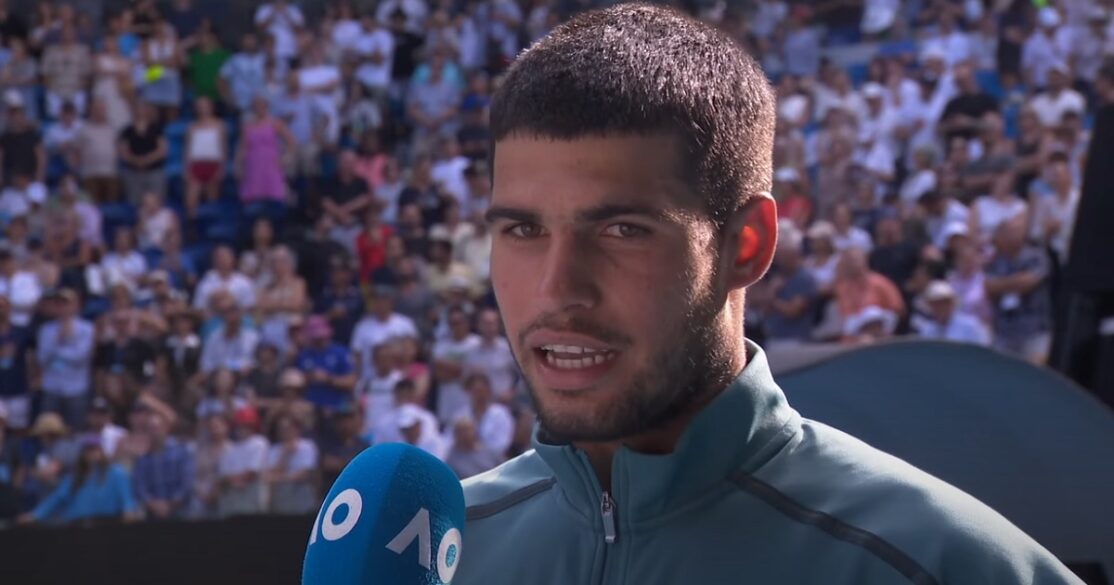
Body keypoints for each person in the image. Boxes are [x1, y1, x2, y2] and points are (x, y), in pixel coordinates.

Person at [454, 6, 1081, 584]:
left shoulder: (941, 566)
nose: (557, 288)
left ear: (747, 246)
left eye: (622, 230)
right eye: (523, 230)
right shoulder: (434, 555)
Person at [20, 435, 139, 526]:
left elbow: (127, 499)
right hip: (77, 527)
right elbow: (56, 498)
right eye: (87, 450)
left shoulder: (116, 473)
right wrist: (35, 515)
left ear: (102, 451)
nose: (91, 453)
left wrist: (129, 511)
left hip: (107, 525)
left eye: (95, 449)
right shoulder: (74, 476)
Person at [37, 289, 95, 430]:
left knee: (75, 429)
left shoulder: (87, 329)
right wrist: (58, 340)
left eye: (66, 303)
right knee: (49, 428)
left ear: (75, 305)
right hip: (51, 387)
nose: (62, 307)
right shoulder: (46, 330)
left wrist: (66, 341)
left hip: (76, 389)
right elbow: (42, 358)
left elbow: (80, 357)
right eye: (59, 304)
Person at [132, 411, 193, 520]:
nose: (154, 433)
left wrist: (170, 505)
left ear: (166, 429)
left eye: (157, 428)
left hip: (179, 510)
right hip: (153, 513)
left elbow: (187, 483)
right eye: (151, 429)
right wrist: (153, 504)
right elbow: (140, 487)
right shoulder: (143, 459)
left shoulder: (181, 451)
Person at [912, 281, 992, 346]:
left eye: (944, 303)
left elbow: (981, 352)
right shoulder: (927, 330)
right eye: (935, 304)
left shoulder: (971, 326)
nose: (940, 307)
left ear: (952, 304)